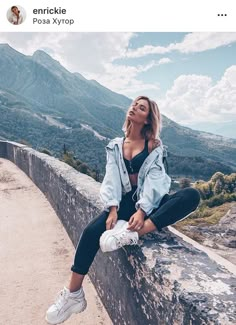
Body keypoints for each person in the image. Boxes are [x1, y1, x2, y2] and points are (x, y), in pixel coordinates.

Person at [45, 96, 200, 324]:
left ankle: (135, 233)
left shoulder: (154, 147)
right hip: (125, 203)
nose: (134, 109)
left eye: (141, 108)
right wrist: (113, 208)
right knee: (90, 233)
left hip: (152, 202)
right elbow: (111, 180)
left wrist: (143, 210)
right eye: (134, 105)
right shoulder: (115, 145)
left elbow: (157, 181)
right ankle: (73, 295)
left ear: (148, 119)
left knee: (191, 195)